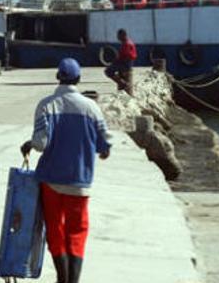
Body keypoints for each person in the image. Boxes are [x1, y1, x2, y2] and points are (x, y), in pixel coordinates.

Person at [20, 58, 111, 283]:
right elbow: (105, 144)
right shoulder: (92, 108)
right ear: (79, 79)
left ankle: (62, 277)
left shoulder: (46, 105)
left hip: (51, 180)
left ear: (58, 77)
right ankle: (74, 280)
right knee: (77, 231)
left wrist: (29, 144)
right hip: (80, 181)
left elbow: (41, 143)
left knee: (54, 228)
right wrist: (100, 150)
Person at [104, 28, 136, 94]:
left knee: (108, 71)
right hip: (126, 63)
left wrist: (115, 62)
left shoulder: (127, 44)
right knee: (111, 68)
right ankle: (122, 83)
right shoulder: (127, 42)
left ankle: (123, 83)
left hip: (126, 64)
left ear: (122, 35)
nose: (117, 37)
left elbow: (126, 57)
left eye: (118, 36)